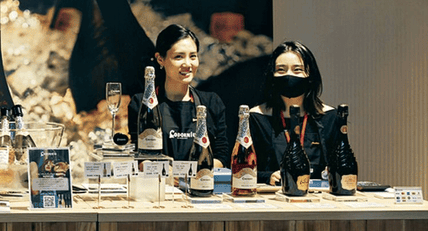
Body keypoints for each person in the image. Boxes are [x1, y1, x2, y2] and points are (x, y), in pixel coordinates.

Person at [128, 24, 228, 166]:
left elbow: (221, 156)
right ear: (160, 59)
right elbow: (139, 157)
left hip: (199, 183)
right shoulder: (141, 104)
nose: (188, 64)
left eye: (193, 56)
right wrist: (168, 175)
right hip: (161, 185)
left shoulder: (211, 102)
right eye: (178, 57)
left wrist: (189, 174)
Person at [249, 41, 336, 184]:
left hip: (319, 196)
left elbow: (340, 164)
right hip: (273, 195)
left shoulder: (329, 117)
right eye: (281, 70)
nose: (289, 75)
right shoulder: (257, 117)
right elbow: (242, 169)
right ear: (272, 75)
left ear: (310, 75)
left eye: (297, 70)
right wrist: (268, 177)